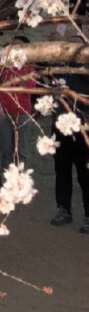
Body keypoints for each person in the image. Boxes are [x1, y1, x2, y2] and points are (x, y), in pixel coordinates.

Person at [50, 69, 89, 231]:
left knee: (85, 173)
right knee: (62, 170)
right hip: (60, 127)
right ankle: (64, 209)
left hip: (82, 128)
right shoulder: (58, 65)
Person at [0, 38, 35, 169]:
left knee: (21, 150)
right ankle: (7, 179)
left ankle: (21, 179)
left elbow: (31, 86)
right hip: (3, 112)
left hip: (22, 112)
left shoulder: (28, 66)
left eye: (18, 47)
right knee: (5, 149)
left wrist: (21, 82)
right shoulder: (2, 66)